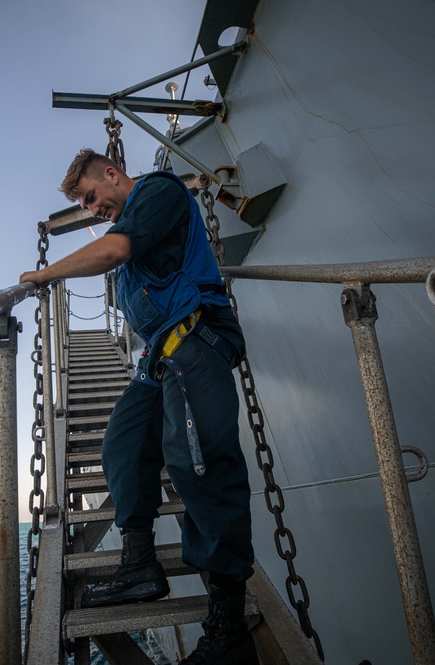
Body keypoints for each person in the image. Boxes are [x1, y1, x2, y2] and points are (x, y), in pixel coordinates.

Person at [19, 149, 257, 664]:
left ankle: (229, 630)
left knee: (199, 464)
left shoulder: (158, 192)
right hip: (162, 357)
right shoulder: (130, 220)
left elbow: (114, 251)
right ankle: (139, 564)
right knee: (122, 444)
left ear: (112, 174)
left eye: (90, 197)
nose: (92, 208)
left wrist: (45, 276)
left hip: (196, 341)